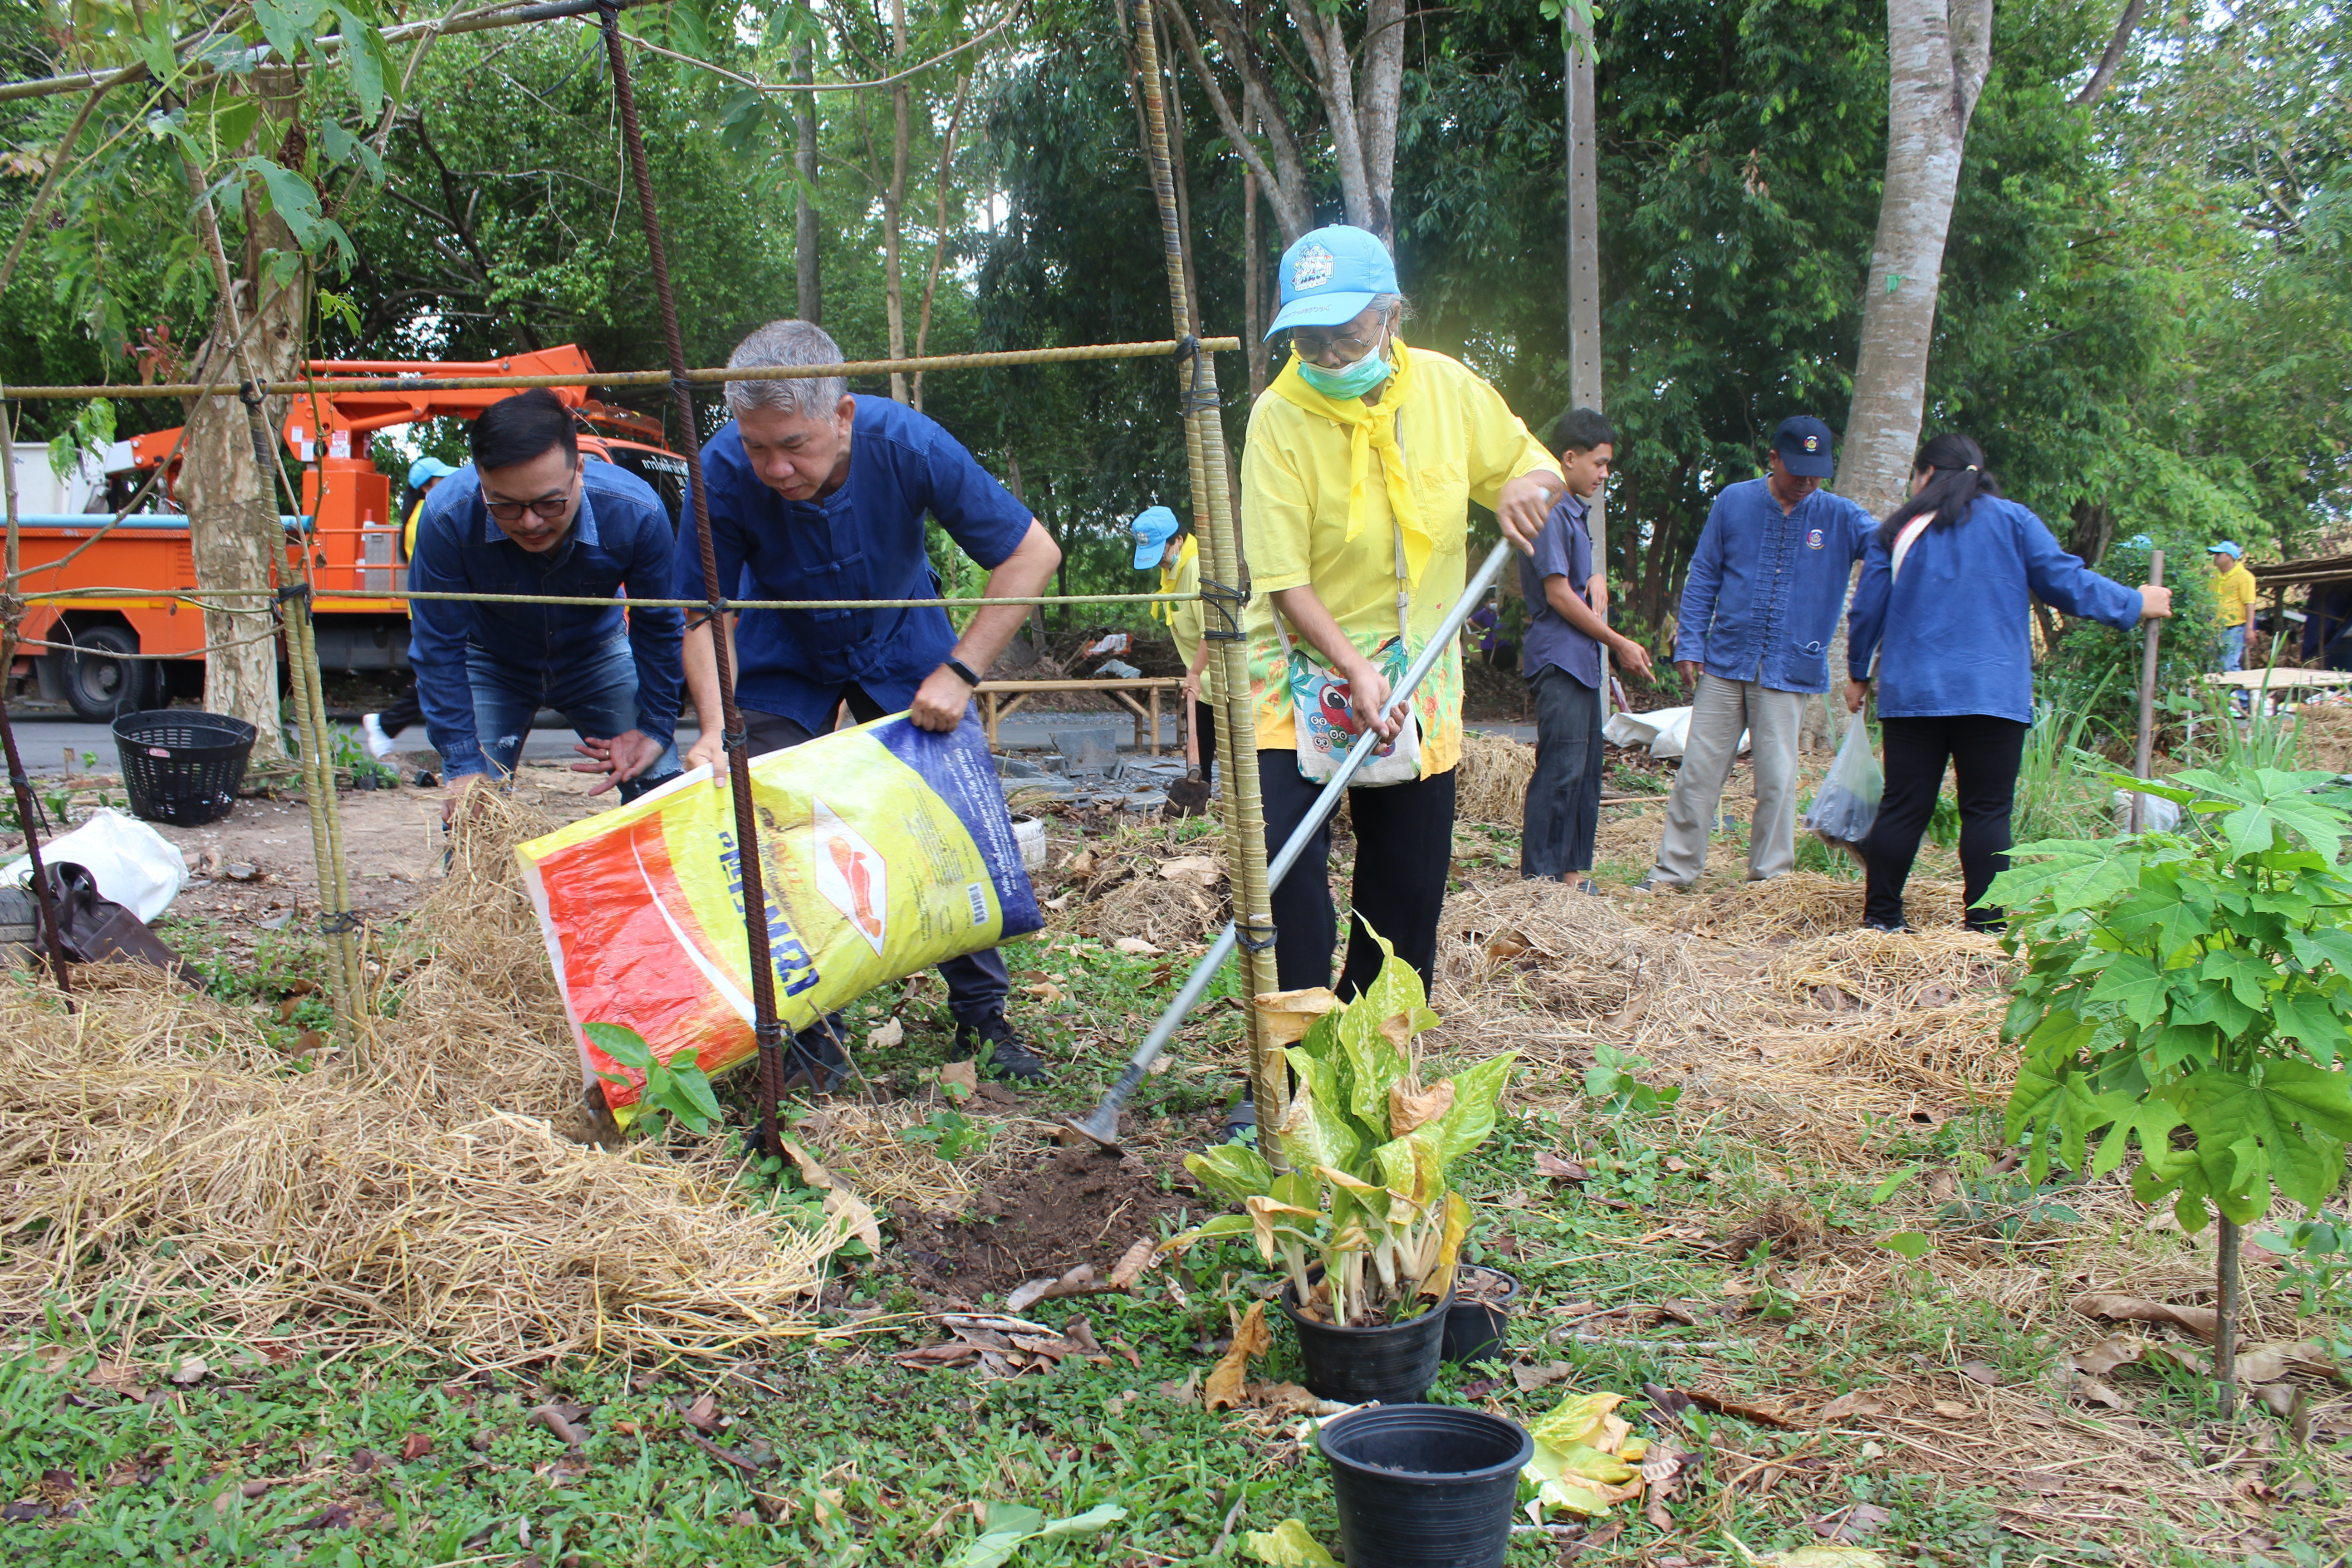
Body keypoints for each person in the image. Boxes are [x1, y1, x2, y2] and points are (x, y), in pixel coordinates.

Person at [673, 319, 1063, 1088]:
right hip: (783, 653)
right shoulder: (721, 467)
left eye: (794, 445)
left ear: (841, 416)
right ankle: (816, 1036)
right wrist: (716, 728)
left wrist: (960, 671)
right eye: (758, 448)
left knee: (940, 814)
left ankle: (984, 1020)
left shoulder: (905, 443)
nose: (775, 467)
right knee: (779, 823)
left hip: (904, 641)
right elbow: (701, 608)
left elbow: (1031, 552)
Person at [1241, 224, 1564, 997]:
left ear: (1391, 317)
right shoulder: (1277, 417)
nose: (1326, 356)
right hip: (1297, 666)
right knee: (1284, 881)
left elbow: (1528, 464)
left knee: (1404, 891)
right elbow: (1285, 580)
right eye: (1307, 340)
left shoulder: (1447, 389)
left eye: (1344, 334)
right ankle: (1286, 1066)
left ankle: (1373, 1060)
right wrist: (1351, 667)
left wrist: (1530, 482)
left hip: (1417, 669)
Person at [1846, 433, 2171, 931]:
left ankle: (1883, 919)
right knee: (1987, 812)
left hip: (1915, 694)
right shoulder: (2015, 521)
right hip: (1993, 695)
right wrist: (2134, 602)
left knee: (1905, 807)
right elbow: (2067, 582)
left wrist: (1857, 673)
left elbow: (1868, 609)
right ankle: (1985, 926)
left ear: (1927, 474)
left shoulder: (1897, 531)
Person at [408, 391, 685, 819]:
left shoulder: (636, 512)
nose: (531, 522)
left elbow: (660, 625)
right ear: (480, 479)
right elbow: (437, 647)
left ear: (579, 468)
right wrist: (463, 764)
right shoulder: (447, 517)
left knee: (664, 789)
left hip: (598, 652)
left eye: (549, 502)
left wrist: (655, 727)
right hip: (490, 660)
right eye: (506, 506)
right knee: (472, 814)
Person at [1636, 416, 1876, 893]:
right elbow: (1704, 573)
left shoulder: (1841, 516)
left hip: (1791, 670)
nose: (1807, 482)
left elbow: (1888, 549)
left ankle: (1769, 882)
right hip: (1726, 663)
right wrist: (1690, 643)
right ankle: (1673, 874)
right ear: (1772, 459)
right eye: (1796, 471)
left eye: (1816, 473)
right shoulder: (1735, 502)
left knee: (1778, 782)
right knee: (1698, 774)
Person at [1520, 408, 1653, 889]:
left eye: (1608, 466)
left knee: (1585, 773)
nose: (1603, 475)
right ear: (1569, 458)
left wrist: (1596, 577)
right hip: (1560, 657)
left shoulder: (1576, 510)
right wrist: (1619, 642)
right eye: (1598, 464)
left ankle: (1572, 876)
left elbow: (1578, 580)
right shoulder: (1552, 508)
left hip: (1582, 661)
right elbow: (1558, 594)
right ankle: (1542, 881)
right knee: (1560, 772)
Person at [362, 456, 460, 760]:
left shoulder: (426, 513)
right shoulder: (425, 518)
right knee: (443, 676)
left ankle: (388, 725)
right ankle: (385, 724)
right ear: (427, 487)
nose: (449, 483)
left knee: (448, 676)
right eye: (442, 479)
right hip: (435, 611)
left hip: (436, 609)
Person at [1133, 505, 1216, 772]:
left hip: (1226, 681)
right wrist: (1193, 672)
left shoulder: (1196, 568)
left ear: (1178, 541)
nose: (1158, 560)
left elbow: (1212, 632)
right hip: (1203, 680)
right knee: (1200, 751)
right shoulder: (1171, 570)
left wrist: (1194, 672)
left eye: (1161, 552)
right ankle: (1198, 807)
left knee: (1237, 760)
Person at [2209, 540, 2257, 673]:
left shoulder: (2244, 577)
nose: (2215, 557)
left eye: (2219, 554)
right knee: (2213, 666)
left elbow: (2249, 603)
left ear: (2230, 556)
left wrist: (2249, 629)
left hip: (2235, 628)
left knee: (2228, 664)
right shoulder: (2215, 577)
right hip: (2216, 629)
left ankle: (2243, 694)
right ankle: (2217, 694)